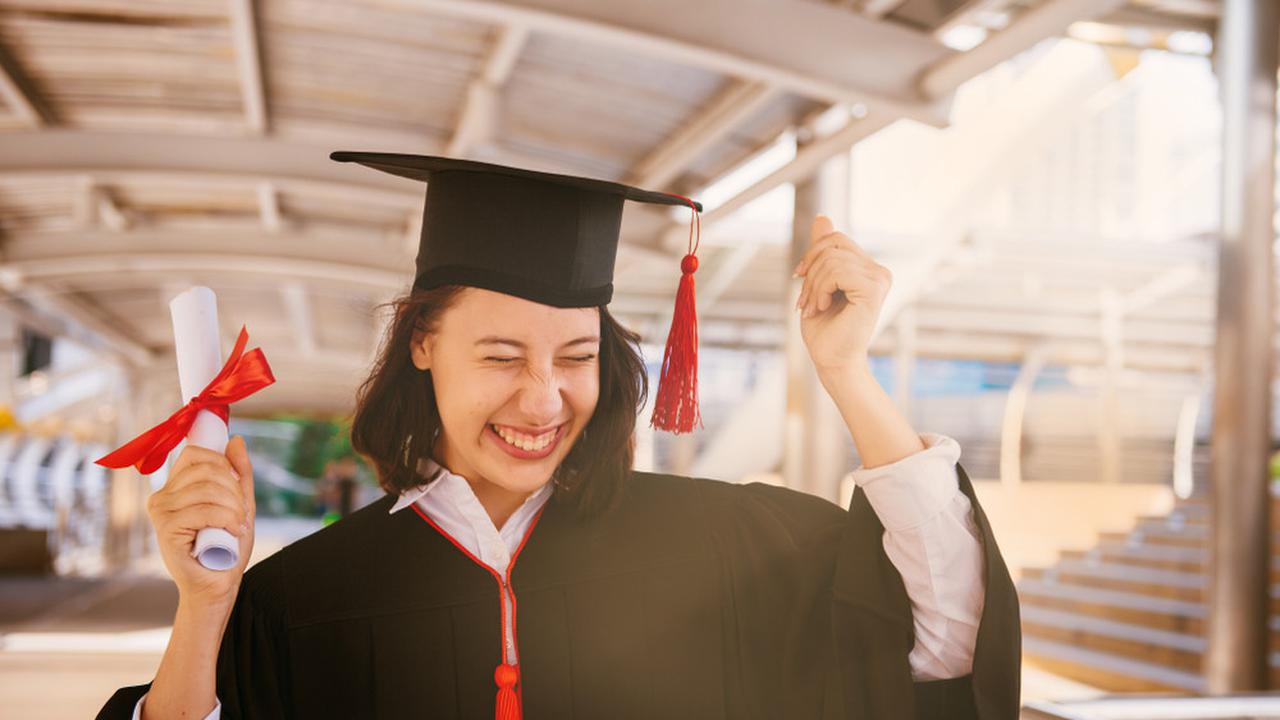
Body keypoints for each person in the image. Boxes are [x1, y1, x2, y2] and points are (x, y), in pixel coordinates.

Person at [98, 154, 1020, 719]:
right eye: (500, 355)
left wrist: (847, 373)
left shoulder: (722, 545)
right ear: (423, 343)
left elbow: (943, 644)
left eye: (575, 355)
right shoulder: (304, 596)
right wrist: (204, 607)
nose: (543, 400)